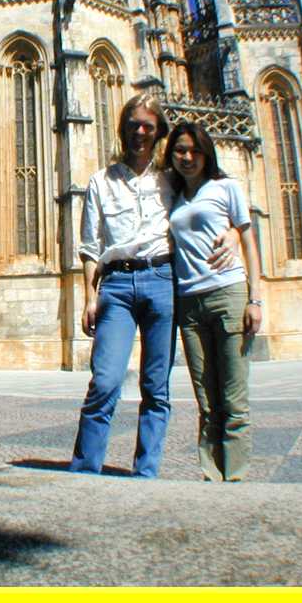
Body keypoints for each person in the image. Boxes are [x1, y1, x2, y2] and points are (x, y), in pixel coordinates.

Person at [70, 93, 238, 477]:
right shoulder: (101, 181)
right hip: (116, 284)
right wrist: (88, 298)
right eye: (133, 125)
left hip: (163, 279)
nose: (140, 132)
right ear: (123, 129)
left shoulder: (172, 178)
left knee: (156, 387)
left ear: (158, 130)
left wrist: (233, 232)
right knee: (106, 381)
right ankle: (83, 472)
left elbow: (216, 198)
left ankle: (146, 473)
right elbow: (90, 247)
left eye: (148, 125)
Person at [164, 121, 263, 481]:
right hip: (189, 302)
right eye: (179, 150)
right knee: (206, 400)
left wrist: (256, 299)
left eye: (194, 150)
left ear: (207, 152)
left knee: (234, 397)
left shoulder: (226, 187)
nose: (187, 157)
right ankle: (211, 476)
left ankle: (234, 478)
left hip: (228, 293)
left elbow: (250, 240)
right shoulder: (174, 196)